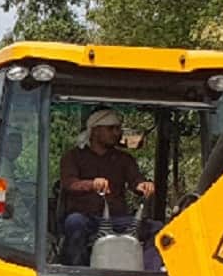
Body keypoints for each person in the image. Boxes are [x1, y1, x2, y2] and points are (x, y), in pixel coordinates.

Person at [58, 109, 156, 267]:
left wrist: (143, 185)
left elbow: (135, 180)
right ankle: (76, 272)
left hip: (117, 219)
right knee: (74, 223)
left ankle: (148, 274)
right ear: (96, 131)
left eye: (118, 128)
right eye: (111, 128)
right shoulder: (73, 157)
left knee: (157, 229)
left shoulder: (124, 159)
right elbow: (69, 183)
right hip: (86, 217)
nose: (116, 133)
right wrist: (92, 184)